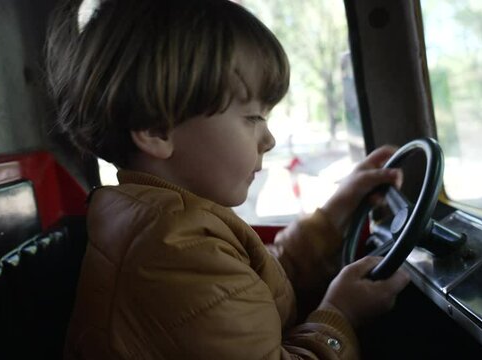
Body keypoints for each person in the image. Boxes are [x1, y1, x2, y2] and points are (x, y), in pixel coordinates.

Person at [45, 0, 410, 359]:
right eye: (252, 118)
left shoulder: (168, 220)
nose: (269, 139)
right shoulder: (173, 250)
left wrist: (334, 214)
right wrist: (341, 316)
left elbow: (258, 281)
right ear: (157, 130)